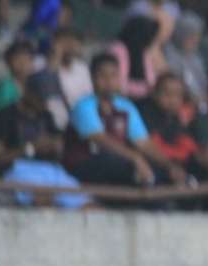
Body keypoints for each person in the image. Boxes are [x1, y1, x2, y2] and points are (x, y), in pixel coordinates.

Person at [66, 52, 185, 189]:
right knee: (115, 162)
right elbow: (102, 140)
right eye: (103, 76)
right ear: (92, 78)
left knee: (162, 171)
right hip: (84, 166)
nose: (109, 81)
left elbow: (143, 143)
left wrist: (169, 165)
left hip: (119, 163)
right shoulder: (84, 106)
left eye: (113, 75)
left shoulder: (126, 106)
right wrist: (135, 158)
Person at [0, 72, 87, 209]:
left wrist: (56, 146)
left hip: (51, 170)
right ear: (28, 92)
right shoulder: (6, 115)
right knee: (44, 200)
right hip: (18, 170)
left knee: (89, 205)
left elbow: (59, 147)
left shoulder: (47, 116)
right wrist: (30, 147)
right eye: (41, 97)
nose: (45, 102)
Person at [0, 39, 34, 111]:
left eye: (27, 59)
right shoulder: (5, 89)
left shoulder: (35, 84)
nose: (23, 64)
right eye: (18, 60)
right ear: (9, 63)